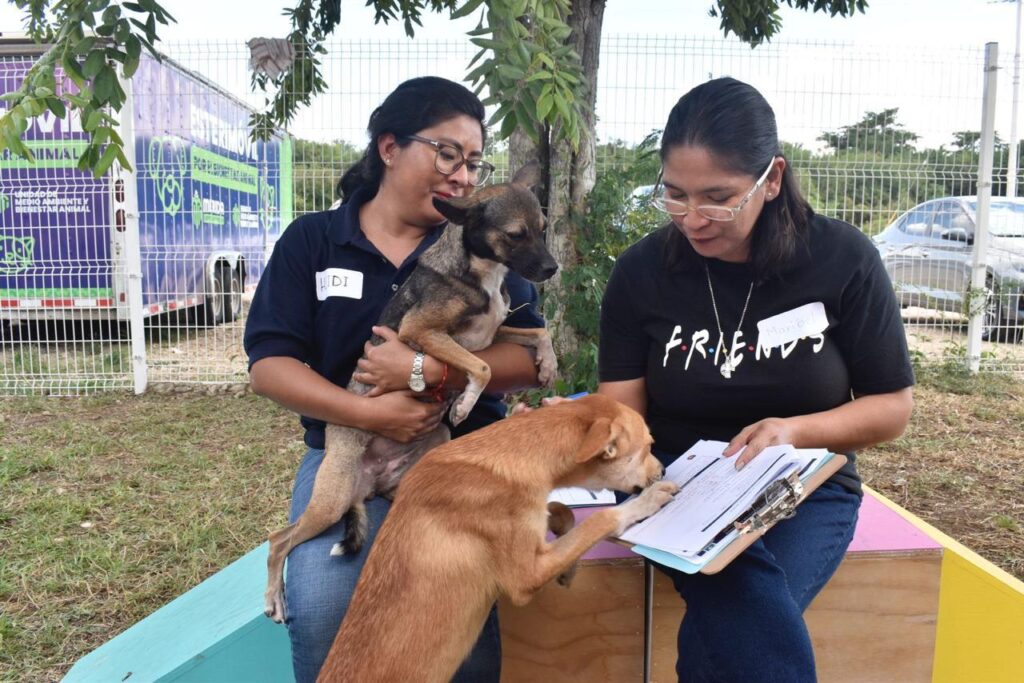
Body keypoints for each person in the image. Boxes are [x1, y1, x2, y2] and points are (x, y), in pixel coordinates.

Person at [597, 77, 915, 682]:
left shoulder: (841, 259)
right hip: (665, 480)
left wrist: (793, 431)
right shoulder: (643, 272)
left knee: (722, 637)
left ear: (771, 180)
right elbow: (622, 415)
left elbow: (891, 409)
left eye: (718, 198)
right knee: (740, 591)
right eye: (675, 196)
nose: (693, 219)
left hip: (801, 484)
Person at [244, 76, 548, 683]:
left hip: (448, 453)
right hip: (350, 445)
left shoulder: (485, 240)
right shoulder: (315, 240)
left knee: (454, 599)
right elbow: (270, 367)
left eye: (473, 161)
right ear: (389, 147)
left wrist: (425, 370)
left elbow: (521, 366)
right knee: (327, 601)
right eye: (447, 153)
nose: (462, 176)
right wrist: (368, 414)